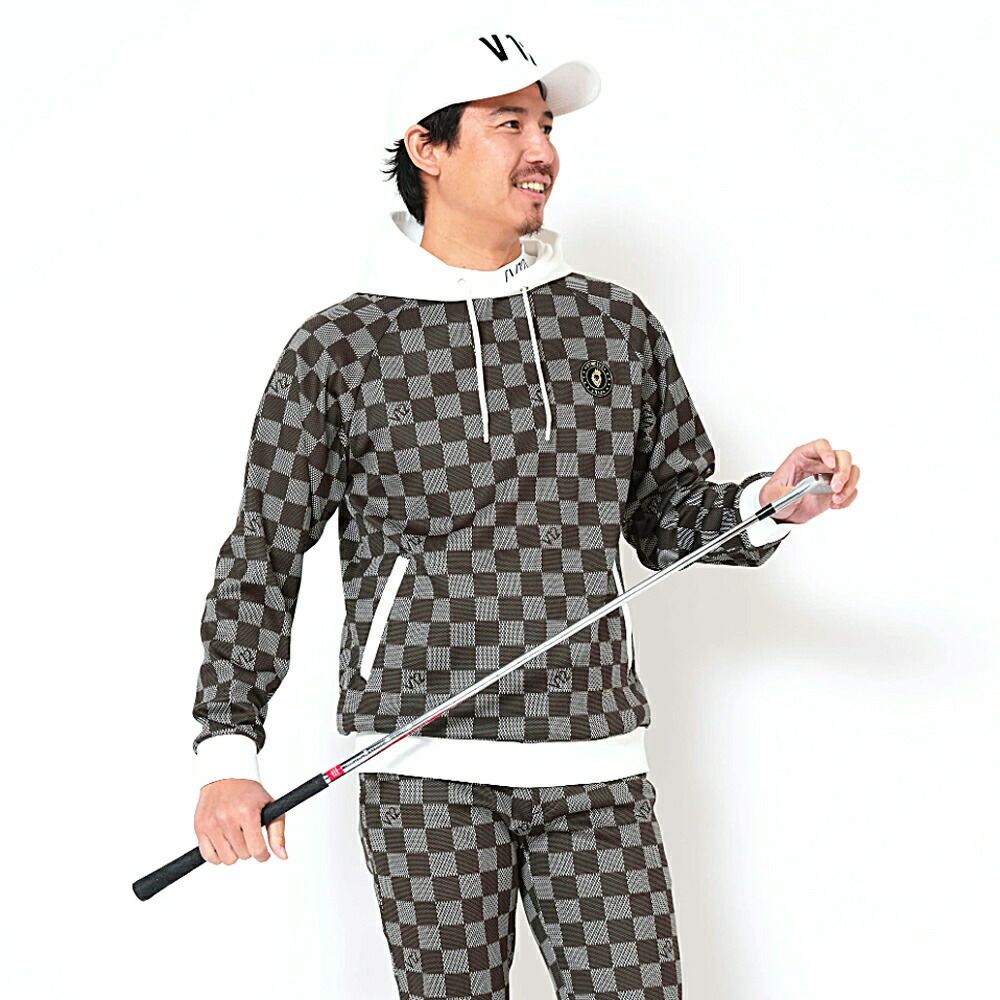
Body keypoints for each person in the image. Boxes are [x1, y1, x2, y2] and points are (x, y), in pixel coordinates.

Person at [190, 28, 859, 1000]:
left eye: (545, 126)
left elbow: (668, 519)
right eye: (508, 124)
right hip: (423, 769)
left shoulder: (613, 324)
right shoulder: (339, 348)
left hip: (596, 761)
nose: (541, 149)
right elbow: (262, 552)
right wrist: (227, 750)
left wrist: (770, 500)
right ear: (427, 148)